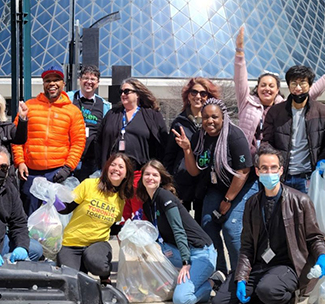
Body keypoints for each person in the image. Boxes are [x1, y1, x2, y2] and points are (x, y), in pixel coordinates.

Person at [210, 146, 325, 304]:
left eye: (273, 167)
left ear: (281, 170)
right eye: (264, 168)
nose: (269, 172)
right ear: (257, 171)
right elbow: (247, 245)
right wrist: (242, 277)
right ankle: (264, 297)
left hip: (287, 266)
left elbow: (314, 237)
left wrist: (323, 256)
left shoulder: (300, 201)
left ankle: (287, 301)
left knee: (269, 289)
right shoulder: (252, 203)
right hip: (259, 265)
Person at [234, 26, 325, 156]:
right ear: (257, 87)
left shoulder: (283, 107)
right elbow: (240, 80)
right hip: (246, 158)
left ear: (278, 89)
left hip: (271, 162)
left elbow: (311, 91)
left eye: (271, 86)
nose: (267, 89)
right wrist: (239, 52)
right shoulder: (246, 102)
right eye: (263, 85)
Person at [172, 98, 253, 275]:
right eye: (206, 117)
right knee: (207, 226)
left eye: (215, 117)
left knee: (231, 229)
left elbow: (243, 171)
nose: (210, 121)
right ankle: (220, 273)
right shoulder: (199, 137)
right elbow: (194, 171)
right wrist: (187, 149)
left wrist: (227, 200)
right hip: (216, 187)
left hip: (240, 187)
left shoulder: (234, 135)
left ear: (223, 118)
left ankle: (241, 274)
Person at [137, 160, 220, 304]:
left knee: (181, 299)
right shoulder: (148, 204)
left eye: (155, 175)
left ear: (161, 178)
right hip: (177, 249)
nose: (150, 178)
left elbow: (178, 230)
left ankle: (213, 281)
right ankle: (198, 286)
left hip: (200, 252)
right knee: (148, 249)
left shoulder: (164, 197)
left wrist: (185, 262)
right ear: (141, 177)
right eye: (147, 174)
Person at [12, 65, 87, 213]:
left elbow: (78, 143)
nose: (52, 83)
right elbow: (17, 138)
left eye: (56, 79)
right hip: (30, 173)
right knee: (28, 215)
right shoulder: (29, 106)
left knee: (55, 220)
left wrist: (67, 168)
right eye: (48, 80)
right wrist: (20, 162)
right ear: (43, 84)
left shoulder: (73, 111)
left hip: (57, 173)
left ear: (63, 83)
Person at [95, 78, 167, 220]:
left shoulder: (151, 115)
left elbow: (163, 142)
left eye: (127, 91)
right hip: (115, 175)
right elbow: (100, 140)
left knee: (139, 217)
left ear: (138, 94)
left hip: (139, 174)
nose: (123, 94)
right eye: (121, 92)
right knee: (119, 218)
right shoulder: (113, 114)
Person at [57, 153, 134, 284]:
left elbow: (110, 226)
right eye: (113, 165)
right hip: (71, 243)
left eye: (121, 166)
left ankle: (104, 277)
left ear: (126, 174)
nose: (116, 169)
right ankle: (80, 268)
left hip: (97, 244)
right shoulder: (89, 184)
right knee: (70, 282)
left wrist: (129, 229)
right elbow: (67, 208)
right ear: (107, 168)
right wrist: (52, 200)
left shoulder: (122, 198)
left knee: (96, 262)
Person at [259, 64, 325, 194]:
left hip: (308, 177)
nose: (298, 88)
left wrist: (323, 160)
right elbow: (267, 141)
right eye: (294, 83)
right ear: (288, 85)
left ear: (310, 85)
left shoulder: (323, 112)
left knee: (307, 213)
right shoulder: (276, 112)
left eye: (303, 83)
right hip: (282, 176)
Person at [164, 77, 220, 214]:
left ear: (209, 97)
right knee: (183, 225)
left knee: (203, 225)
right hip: (182, 182)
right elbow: (169, 155)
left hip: (206, 182)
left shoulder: (214, 123)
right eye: (194, 92)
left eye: (203, 93)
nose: (198, 97)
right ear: (188, 96)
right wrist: (167, 180)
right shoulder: (179, 123)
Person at [68, 65, 112, 180]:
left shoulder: (104, 106)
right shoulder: (68, 99)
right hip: (68, 159)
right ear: (80, 80)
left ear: (98, 83)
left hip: (92, 162)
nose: (89, 82)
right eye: (85, 78)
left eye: (93, 79)